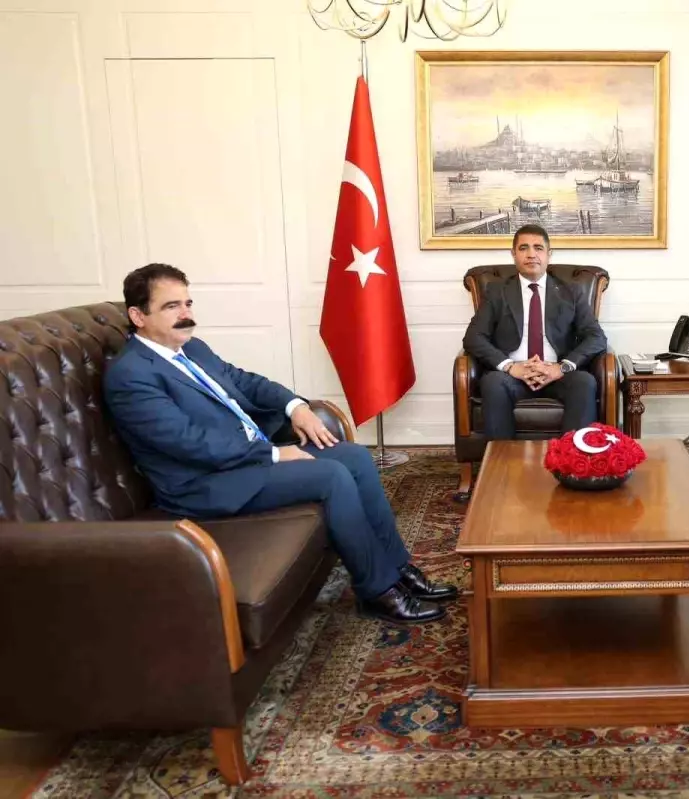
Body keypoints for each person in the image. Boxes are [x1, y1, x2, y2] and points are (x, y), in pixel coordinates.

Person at [104, 264, 457, 628]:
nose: (185, 314)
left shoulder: (192, 348)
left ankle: (398, 569)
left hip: (248, 459)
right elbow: (188, 442)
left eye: (188, 303)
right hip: (206, 483)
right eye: (171, 306)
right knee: (331, 476)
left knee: (354, 456)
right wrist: (272, 454)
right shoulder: (131, 375)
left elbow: (246, 381)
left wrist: (295, 406)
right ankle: (378, 591)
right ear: (138, 316)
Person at [463, 224, 608, 440]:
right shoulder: (497, 291)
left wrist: (562, 367)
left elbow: (596, 337)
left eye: (538, 248)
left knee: (584, 382)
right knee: (493, 383)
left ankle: (572, 458)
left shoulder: (571, 291)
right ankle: (503, 459)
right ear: (513, 254)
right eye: (524, 248)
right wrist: (510, 366)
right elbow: (473, 337)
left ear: (549, 254)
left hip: (557, 374)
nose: (531, 254)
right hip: (512, 375)